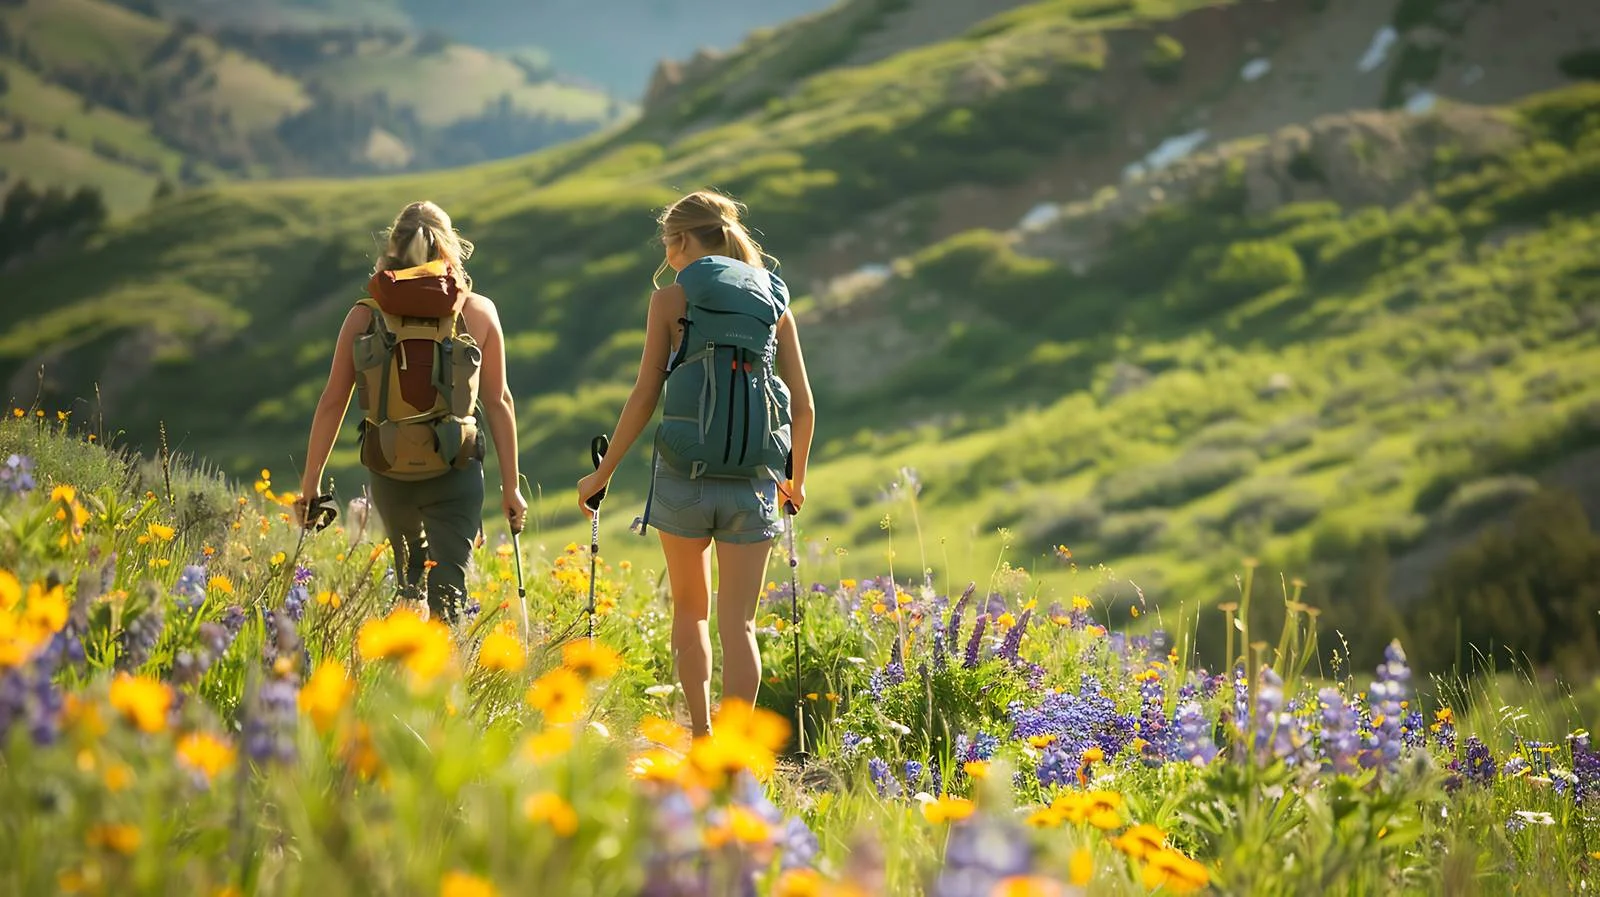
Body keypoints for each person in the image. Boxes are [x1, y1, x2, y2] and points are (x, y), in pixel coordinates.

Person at [577, 189, 815, 738]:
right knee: (742, 624)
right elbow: (802, 406)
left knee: (692, 613)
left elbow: (643, 397)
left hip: (683, 480)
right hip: (755, 484)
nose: (669, 256)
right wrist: (795, 481)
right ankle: (734, 755)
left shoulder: (670, 300)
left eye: (669, 244)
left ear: (683, 240)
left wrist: (601, 474)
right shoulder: (775, 303)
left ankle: (703, 736)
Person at [295, 201, 526, 622]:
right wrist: (511, 487)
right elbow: (499, 401)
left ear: (393, 249)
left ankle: (402, 674)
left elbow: (333, 400)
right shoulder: (478, 312)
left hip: (390, 470)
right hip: (455, 471)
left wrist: (310, 484)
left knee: (408, 586)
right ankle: (441, 678)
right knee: (449, 596)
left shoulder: (364, 316)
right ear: (452, 248)